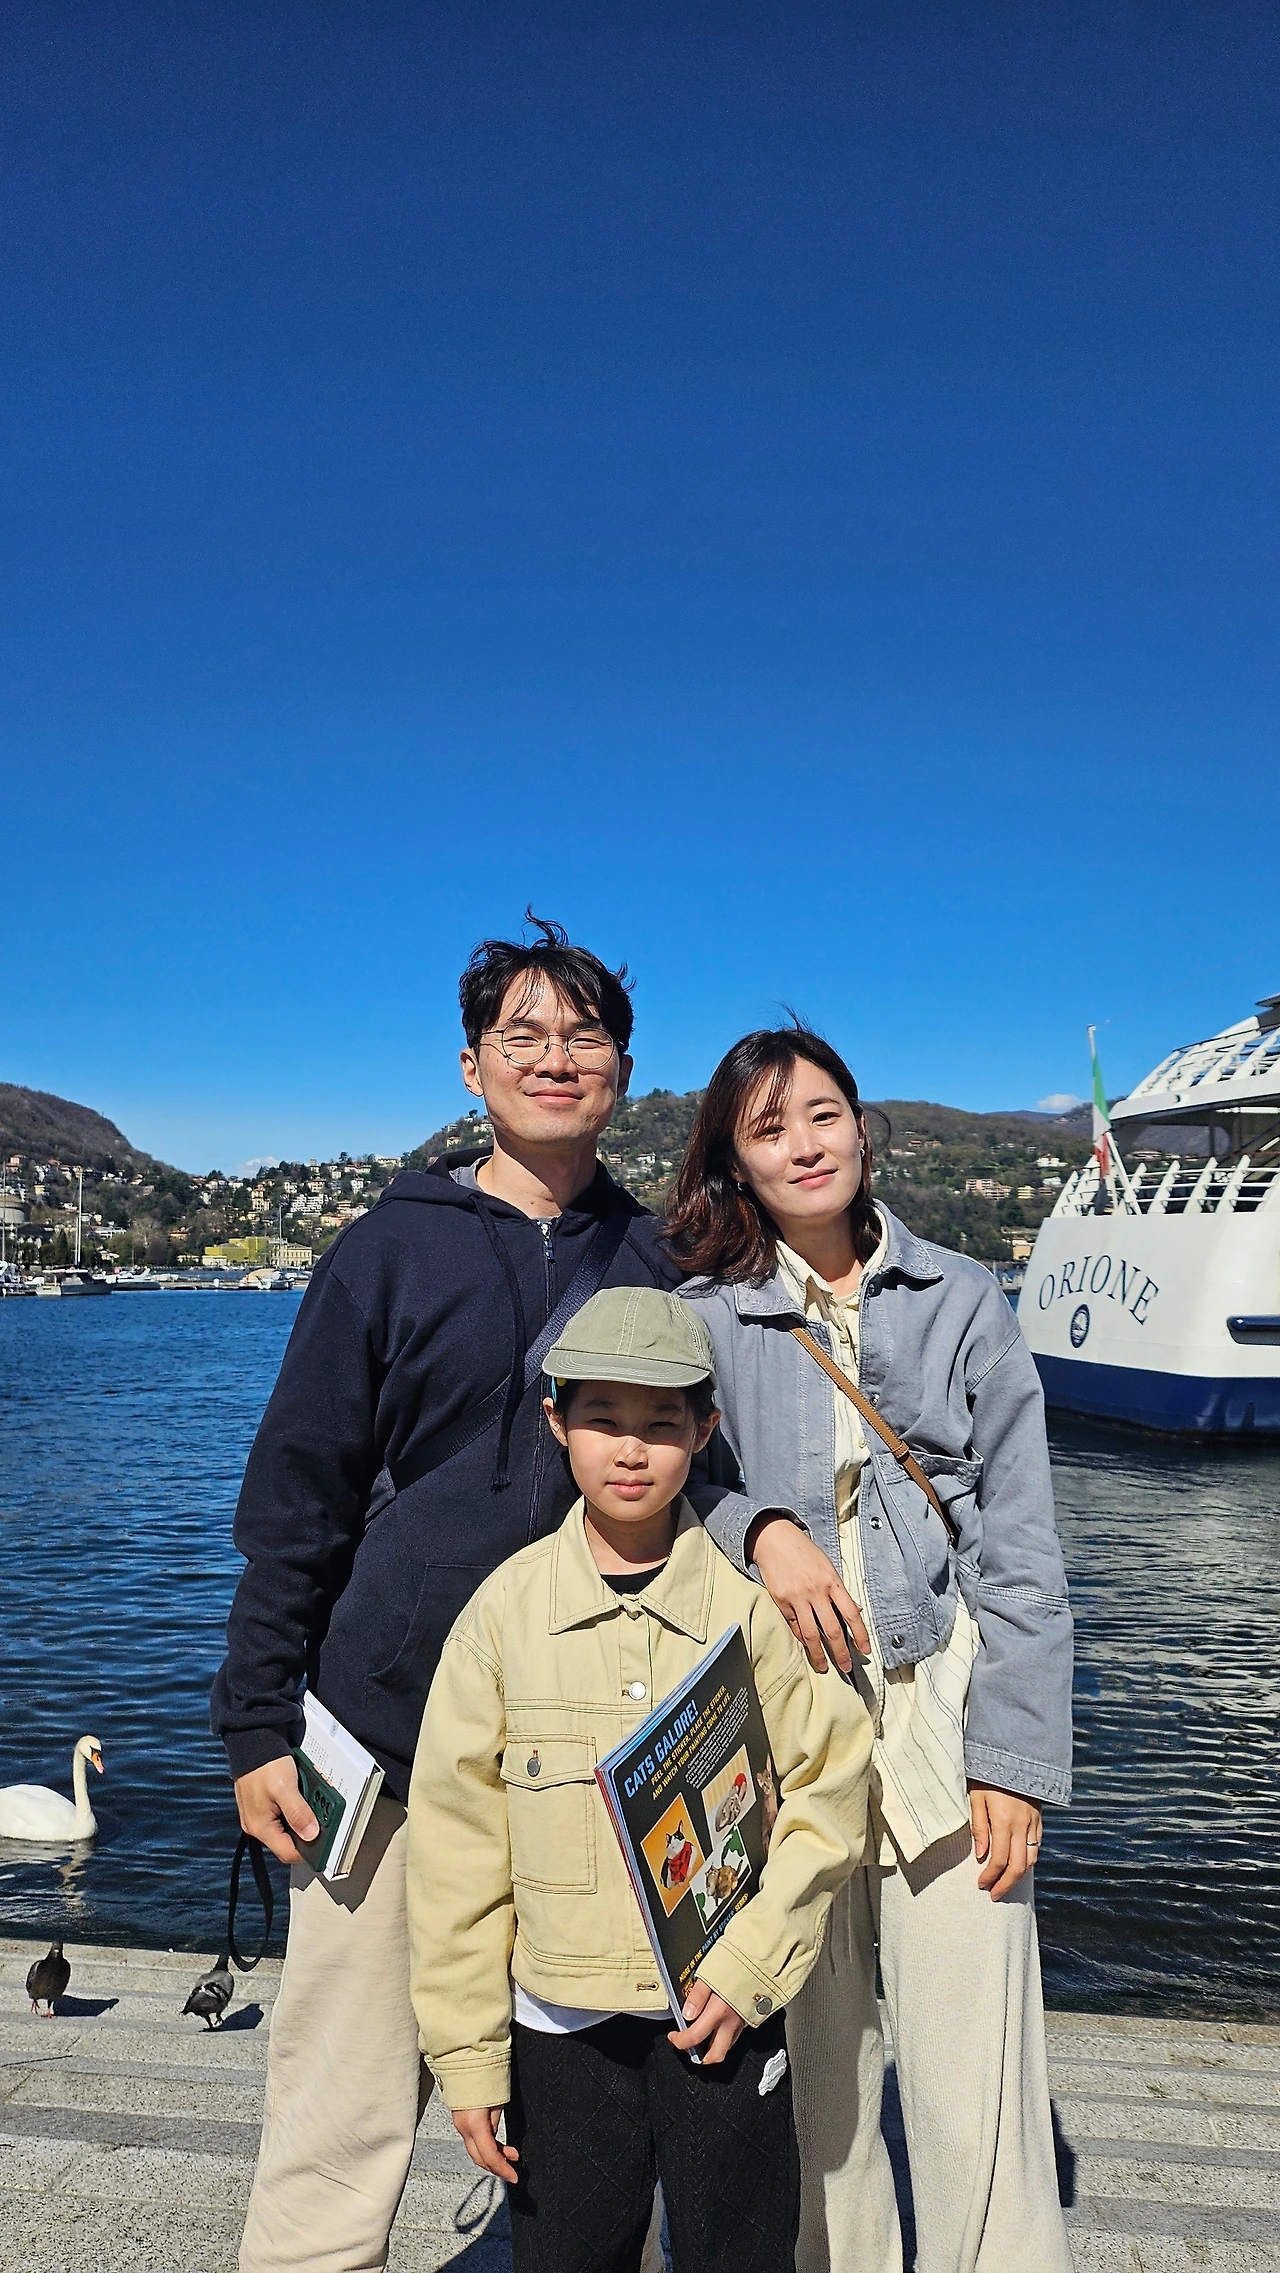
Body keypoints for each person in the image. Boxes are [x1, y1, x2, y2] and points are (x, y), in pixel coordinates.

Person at [211, 918, 761, 2273]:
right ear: (472, 1066)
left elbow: (711, 1466)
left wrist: (780, 1532)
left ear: (622, 1070)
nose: (554, 1057)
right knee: (339, 2105)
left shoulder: (661, 1259)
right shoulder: (382, 1251)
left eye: (584, 1034)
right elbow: (297, 1493)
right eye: (522, 1034)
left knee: (584, 2120)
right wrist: (255, 1720)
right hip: (389, 1735)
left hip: (591, 1753)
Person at [666, 1026, 1075, 2273]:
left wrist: (1013, 1756)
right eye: (768, 1126)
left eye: (822, 1112)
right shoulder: (703, 1317)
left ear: (860, 1125)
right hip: (786, 1730)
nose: (803, 1143)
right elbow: (654, 1474)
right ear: (734, 1161)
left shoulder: (960, 1296)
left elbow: (1019, 1543)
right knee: (822, 2078)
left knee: (975, 2068)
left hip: (939, 1709)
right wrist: (759, 1525)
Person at [406, 1286, 874, 2273]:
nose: (631, 1449)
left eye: (662, 1422)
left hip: (724, 2015)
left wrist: (752, 1964)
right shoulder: (501, 1615)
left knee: (738, 2252)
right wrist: (469, 2055)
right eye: (602, 1418)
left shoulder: (754, 1610)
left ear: (705, 1429)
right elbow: (456, 1853)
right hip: (558, 2028)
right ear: (556, 1422)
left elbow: (829, 1790)